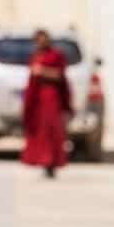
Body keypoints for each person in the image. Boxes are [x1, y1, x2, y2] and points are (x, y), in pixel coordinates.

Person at [21, 29, 72, 178]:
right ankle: (43, 161)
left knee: (51, 131)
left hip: (51, 97)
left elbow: (59, 75)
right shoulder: (34, 56)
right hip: (37, 100)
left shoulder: (55, 56)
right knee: (40, 132)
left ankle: (51, 162)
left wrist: (42, 71)